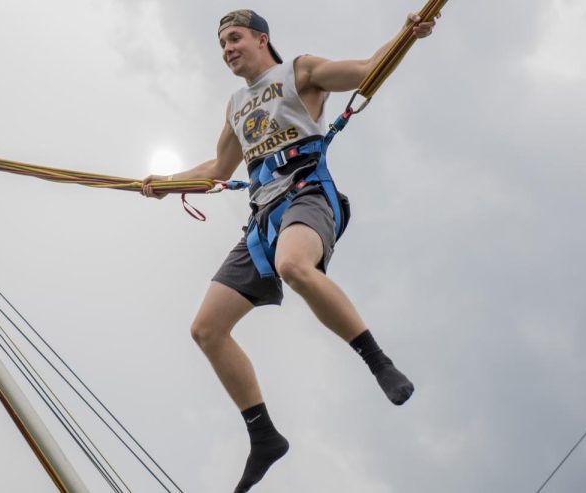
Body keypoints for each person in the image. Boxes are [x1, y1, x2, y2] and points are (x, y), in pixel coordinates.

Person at [142, 9, 438, 492]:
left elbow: (366, 71)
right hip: (262, 217)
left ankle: (378, 361)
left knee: (294, 265)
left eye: (235, 38)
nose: (227, 50)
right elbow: (219, 166)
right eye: (222, 45)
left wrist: (408, 35)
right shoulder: (236, 106)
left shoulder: (299, 72)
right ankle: (264, 436)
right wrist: (165, 183)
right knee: (207, 329)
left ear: (262, 39)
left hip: (307, 195)